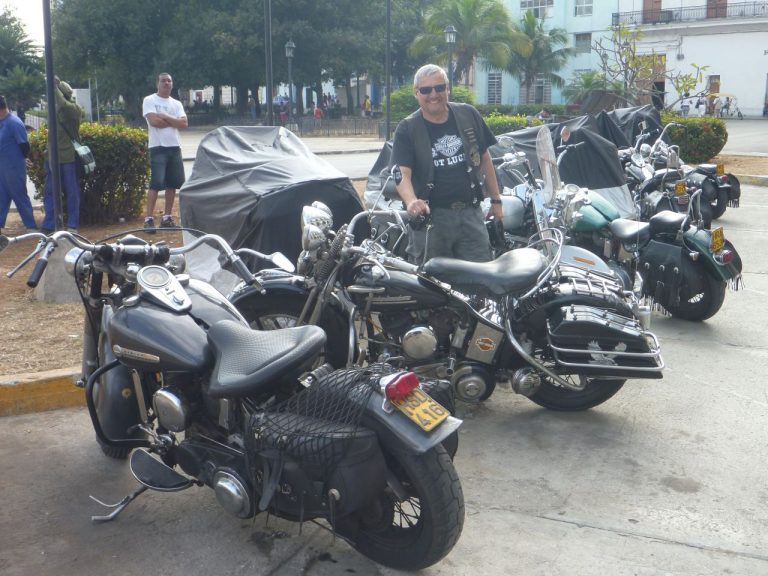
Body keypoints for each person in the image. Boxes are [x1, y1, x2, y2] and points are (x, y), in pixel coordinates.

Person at [391, 63, 502, 264]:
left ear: (448, 89)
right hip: (431, 221)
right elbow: (401, 172)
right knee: (432, 279)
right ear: (416, 93)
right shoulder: (407, 128)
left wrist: (496, 200)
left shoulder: (468, 114)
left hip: (471, 215)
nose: (434, 94)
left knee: (481, 274)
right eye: (426, 90)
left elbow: (485, 158)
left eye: (439, 87)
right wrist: (411, 201)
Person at [142, 72, 188, 232]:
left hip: (174, 147)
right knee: (156, 183)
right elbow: (154, 122)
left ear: (172, 84)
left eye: (169, 81)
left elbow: (184, 124)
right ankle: (148, 219)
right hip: (158, 148)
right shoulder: (150, 100)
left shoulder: (176, 103)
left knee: (173, 184)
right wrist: (174, 121)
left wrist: (166, 117)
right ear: (157, 84)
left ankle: (167, 218)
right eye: (163, 81)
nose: (166, 83)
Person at [41, 79, 82, 234]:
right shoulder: (54, 110)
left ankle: (72, 225)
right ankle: (49, 224)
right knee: (50, 192)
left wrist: (54, 87)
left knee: (72, 192)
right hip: (53, 158)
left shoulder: (74, 109)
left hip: (68, 158)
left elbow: (63, 104)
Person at [0, 95, 38, 234]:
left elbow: (24, 145)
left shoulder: (14, 122)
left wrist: (23, 158)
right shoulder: (2, 122)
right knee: (2, 197)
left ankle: (31, 226)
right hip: (3, 167)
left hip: (14, 167)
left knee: (19, 195)